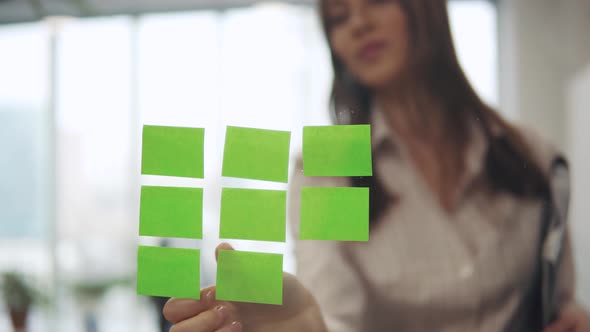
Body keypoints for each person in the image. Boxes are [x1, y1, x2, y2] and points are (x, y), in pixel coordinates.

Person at [162, 0, 590, 331]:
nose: (358, 24)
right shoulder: (327, 167)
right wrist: (311, 322)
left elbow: (558, 295)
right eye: (339, 17)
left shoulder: (530, 153)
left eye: (377, 2)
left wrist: (573, 315)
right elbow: (335, 311)